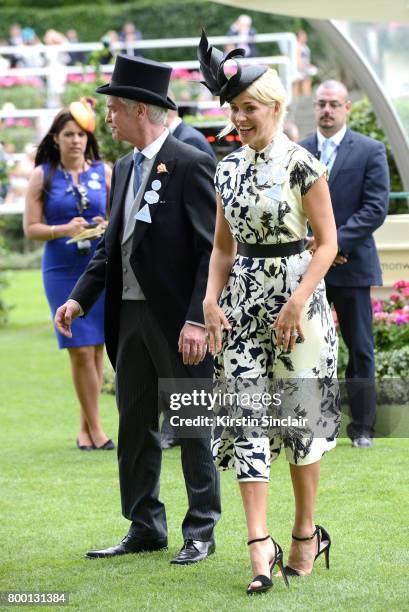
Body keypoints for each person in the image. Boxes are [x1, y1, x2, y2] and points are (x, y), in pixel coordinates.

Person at [54, 54, 221, 564]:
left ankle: (201, 531)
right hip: (127, 319)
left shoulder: (192, 162)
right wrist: (80, 298)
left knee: (194, 423)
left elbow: (211, 251)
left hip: (177, 321)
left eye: (113, 109)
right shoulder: (123, 168)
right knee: (134, 426)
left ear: (139, 111)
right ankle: (145, 525)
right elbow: (111, 246)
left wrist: (197, 318)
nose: (107, 119)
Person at [198, 31, 339, 595]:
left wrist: (297, 300)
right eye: (235, 110)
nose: (241, 118)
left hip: (298, 308)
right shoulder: (225, 168)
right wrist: (210, 299)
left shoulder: (303, 164)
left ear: (276, 107)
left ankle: (305, 532)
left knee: (301, 423)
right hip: (238, 310)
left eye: (249, 108)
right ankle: (260, 545)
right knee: (247, 419)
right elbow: (222, 248)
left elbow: (326, 243)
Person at [300, 80, 389, 448]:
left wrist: (332, 243)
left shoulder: (370, 150)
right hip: (305, 267)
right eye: (321, 104)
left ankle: (363, 427)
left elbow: (375, 208)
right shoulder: (298, 150)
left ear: (347, 107)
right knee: (305, 347)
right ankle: (310, 421)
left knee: (360, 347)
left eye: (334, 104)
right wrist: (316, 247)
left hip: (351, 264)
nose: (327, 110)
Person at [23, 98, 114, 452]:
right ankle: (98, 430)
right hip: (61, 269)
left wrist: (105, 224)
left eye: (80, 135)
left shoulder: (103, 172)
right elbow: (31, 229)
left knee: (95, 351)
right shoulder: (42, 174)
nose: (75, 141)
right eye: (68, 135)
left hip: (98, 266)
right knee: (78, 348)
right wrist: (63, 229)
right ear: (56, 138)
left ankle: (84, 429)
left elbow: (115, 216)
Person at [160, 103, 217, 450]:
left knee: (192, 360)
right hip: (169, 276)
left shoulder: (192, 143)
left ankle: (186, 428)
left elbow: (204, 225)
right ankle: (176, 424)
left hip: (193, 274)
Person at [293, 31, 317, 98]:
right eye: (303, 36)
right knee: (297, 84)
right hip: (299, 69)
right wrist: (301, 67)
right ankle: (296, 101)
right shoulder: (297, 45)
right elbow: (297, 57)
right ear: (299, 37)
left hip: (304, 68)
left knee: (307, 82)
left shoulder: (305, 46)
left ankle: (306, 99)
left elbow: (305, 58)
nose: (305, 37)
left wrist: (309, 65)